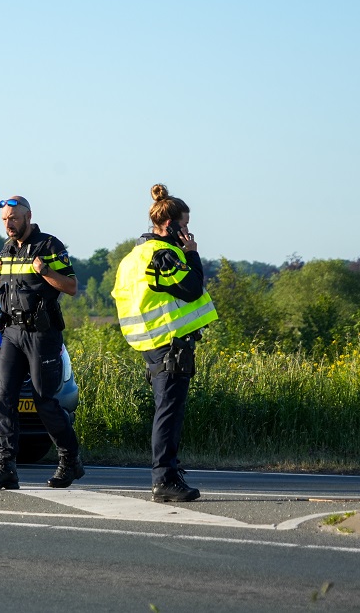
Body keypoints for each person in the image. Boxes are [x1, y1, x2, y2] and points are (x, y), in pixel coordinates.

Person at [111, 184, 218, 502]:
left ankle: (167, 474)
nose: (188, 232)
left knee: (166, 411)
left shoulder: (132, 257)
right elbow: (193, 289)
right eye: (185, 225)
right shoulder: (164, 255)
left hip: (152, 344)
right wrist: (192, 253)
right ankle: (164, 480)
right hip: (169, 345)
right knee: (169, 413)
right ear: (170, 225)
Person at [0, 196, 84, 491]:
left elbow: (71, 287)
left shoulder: (49, 246)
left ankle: (70, 459)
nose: (8, 224)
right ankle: (5, 468)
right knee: (3, 399)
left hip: (41, 335)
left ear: (28, 216)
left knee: (44, 402)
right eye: (4, 219)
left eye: (13, 218)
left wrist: (46, 271)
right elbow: (12, 289)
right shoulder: (7, 249)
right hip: (11, 332)